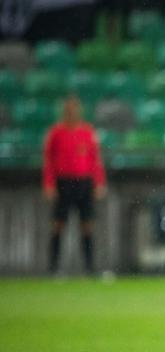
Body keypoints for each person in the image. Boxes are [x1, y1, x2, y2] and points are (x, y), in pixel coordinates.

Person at [42, 95, 106, 274]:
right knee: (58, 225)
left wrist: (99, 182)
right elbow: (49, 160)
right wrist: (49, 183)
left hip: (84, 183)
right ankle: (53, 268)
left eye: (74, 109)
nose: (72, 112)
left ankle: (89, 268)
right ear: (64, 111)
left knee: (87, 226)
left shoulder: (87, 132)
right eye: (68, 109)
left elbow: (95, 160)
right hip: (64, 183)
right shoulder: (56, 132)